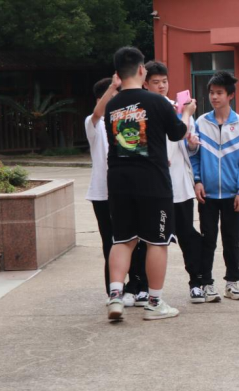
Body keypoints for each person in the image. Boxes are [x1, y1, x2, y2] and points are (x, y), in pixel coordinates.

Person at [104, 46, 196, 321]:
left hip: (118, 182)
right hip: (152, 182)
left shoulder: (112, 105)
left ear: (118, 74)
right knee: (157, 241)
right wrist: (186, 113)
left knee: (123, 239)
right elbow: (178, 133)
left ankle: (116, 295)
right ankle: (154, 302)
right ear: (142, 70)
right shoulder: (157, 102)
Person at [144, 60, 206, 303]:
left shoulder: (178, 108)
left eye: (164, 81)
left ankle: (197, 282)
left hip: (180, 186)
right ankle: (142, 287)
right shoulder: (143, 111)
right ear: (145, 84)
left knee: (186, 233)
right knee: (151, 238)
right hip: (154, 186)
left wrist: (191, 144)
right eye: (156, 82)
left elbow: (188, 146)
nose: (161, 86)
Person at [191, 71, 239, 302]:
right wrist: (197, 181)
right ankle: (207, 283)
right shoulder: (200, 123)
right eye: (211, 93)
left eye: (219, 93)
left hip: (232, 195)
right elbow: (194, 156)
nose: (214, 97)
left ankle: (232, 283)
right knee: (208, 240)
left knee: (232, 240)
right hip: (207, 195)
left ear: (231, 96)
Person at [86, 76, 149, 308]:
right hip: (102, 194)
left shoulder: (128, 121)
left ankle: (136, 287)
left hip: (128, 191)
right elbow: (96, 114)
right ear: (100, 99)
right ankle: (114, 290)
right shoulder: (93, 123)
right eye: (113, 97)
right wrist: (113, 86)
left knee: (135, 240)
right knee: (110, 242)